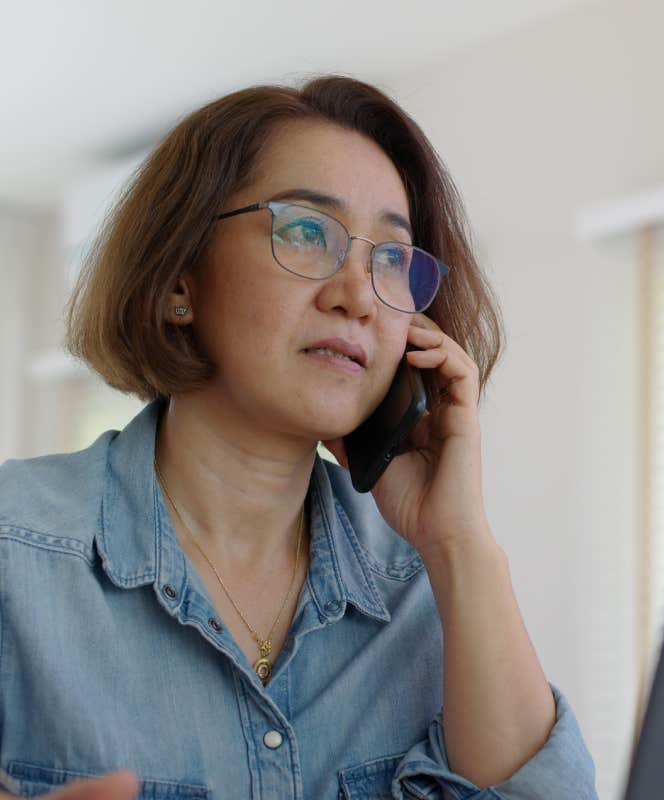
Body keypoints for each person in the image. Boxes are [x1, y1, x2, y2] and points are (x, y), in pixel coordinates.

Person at [0, 76, 597, 799]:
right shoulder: (18, 550)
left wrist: (459, 543)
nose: (355, 296)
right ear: (179, 280)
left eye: (392, 261)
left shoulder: (423, 583)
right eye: (307, 232)